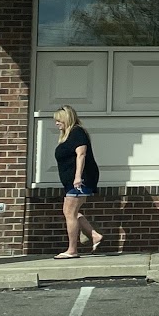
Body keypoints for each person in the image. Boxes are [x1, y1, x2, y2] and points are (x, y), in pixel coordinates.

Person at [51, 106, 105, 258]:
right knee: (71, 212)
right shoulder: (68, 135)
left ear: (67, 118)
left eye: (59, 120)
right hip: (71, 181)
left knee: (70, 213)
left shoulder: (77, 132)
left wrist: (77, 177)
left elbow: (81, 154)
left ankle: (72, 250)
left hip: (81, 180)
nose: (56, 123)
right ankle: (94, 235)